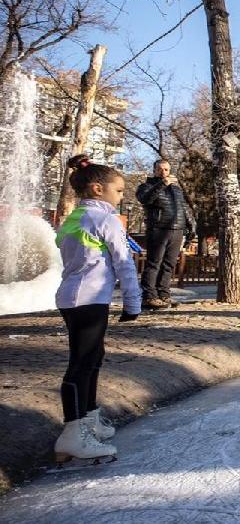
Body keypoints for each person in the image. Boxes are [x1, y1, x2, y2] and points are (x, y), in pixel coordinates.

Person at [53, 154, 142, 464]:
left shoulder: (74, 218)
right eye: (118, 191)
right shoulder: (105, 220)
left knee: (92, 357)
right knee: (81, 363)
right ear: (97, 189)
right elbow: (123, 263)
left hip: (71, 297)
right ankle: (73, 433)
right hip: (90, 299)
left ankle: (89, 420)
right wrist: (133, 303)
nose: (121, 196)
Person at [135, 159, 195, 310]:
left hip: (177, 229)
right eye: (160, 169)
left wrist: (191, 224)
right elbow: (146, 199)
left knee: (169, 264)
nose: (164, 172)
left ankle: (164, 294)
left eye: (166, 170)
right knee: (154, 263)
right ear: (154, 170)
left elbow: (182, 207)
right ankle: (149, 297)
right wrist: (163, 184)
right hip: (158, 228)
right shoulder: (146, 186)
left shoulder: (176, 189)